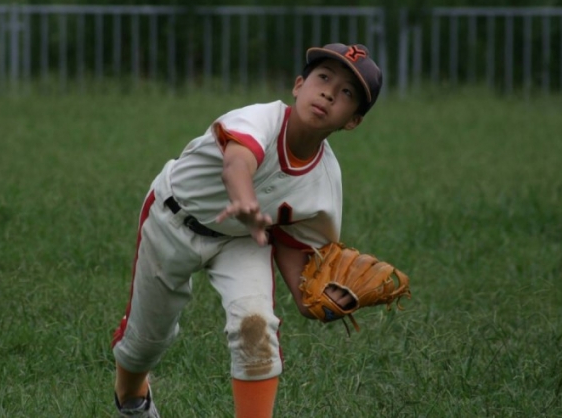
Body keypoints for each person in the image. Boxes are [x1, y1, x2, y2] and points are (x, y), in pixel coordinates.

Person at [110, 42, 383, 418]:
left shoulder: (324, 185)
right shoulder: (260, 118)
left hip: (244, 241)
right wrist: (245, 201)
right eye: (323, 77)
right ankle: (133, 398)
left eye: (347, 93)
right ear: (298, 85)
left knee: (256, 328)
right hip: (172, 219)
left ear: (352, 121)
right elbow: (237, 164)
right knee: (146, 341)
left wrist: (332, 301)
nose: (329, 93)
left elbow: (301, 274)